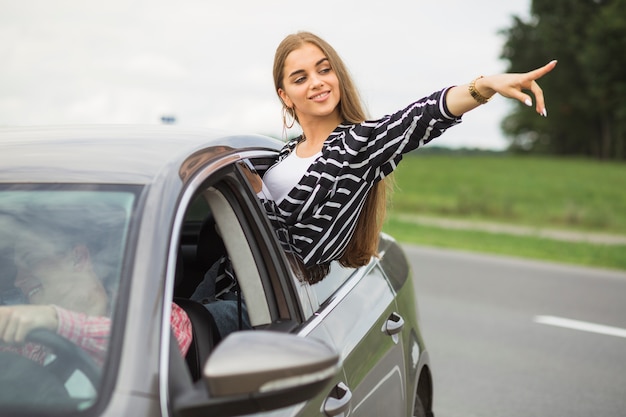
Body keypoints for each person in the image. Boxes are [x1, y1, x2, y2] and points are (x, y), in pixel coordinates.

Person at [261, 31, 557, 282]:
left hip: (265, 298)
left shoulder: (358, 145)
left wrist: (484, 86)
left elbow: (419, 117)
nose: (316, 82)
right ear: (285, 95)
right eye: (300, 78)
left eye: (324, 70)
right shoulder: (284, 153)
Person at [0, 217, 192, 367]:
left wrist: (55, 319)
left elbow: (144, 352)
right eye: (17, 269)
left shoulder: (158, 316)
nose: (18, 280)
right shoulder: (27, 338)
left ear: (78, 258)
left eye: (30, 261)